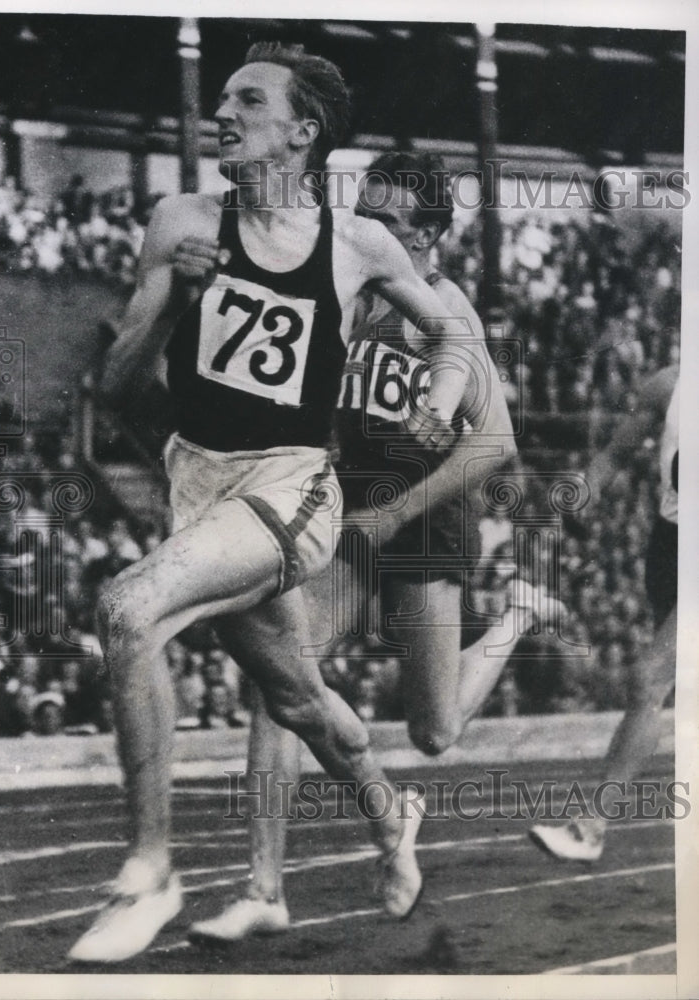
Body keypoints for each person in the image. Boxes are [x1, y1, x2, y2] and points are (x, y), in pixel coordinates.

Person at [69, 44, 481, 963]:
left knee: (127, 608)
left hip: (292, 494)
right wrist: (173, 298)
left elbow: (451, 324)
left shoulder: (357, 243)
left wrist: (442, 400)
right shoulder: (180, 217)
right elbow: (118, 380)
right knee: (297, 698)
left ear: (302, 132)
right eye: (220, 98)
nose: (223, 112)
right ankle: (390, 816)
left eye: (247, 101)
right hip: (198, 483)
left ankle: (149, 871)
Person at [187, 152, 565, 942]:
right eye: (358, 211)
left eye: (384, 218)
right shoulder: (350, 290)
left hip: (425, 519)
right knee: (279, 675)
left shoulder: (446, 305)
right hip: (352, 508)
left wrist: (397, 515)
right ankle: (265, 886)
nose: (360, 228)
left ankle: (515, 617)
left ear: (427, 234)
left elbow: (493, 443)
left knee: (433, 732)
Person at [529, 364, 678, 861]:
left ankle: (591, 826)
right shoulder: (669, 384)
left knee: (650, 680)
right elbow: (614, 455)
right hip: (670, 546)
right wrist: (575, 498)